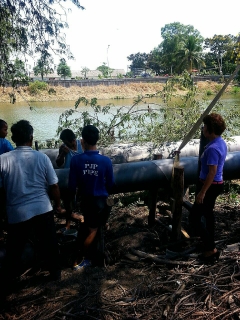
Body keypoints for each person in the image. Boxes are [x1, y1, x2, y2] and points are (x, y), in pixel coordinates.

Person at [0, 120, 62, 298]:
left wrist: (2, 213)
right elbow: (55, 185)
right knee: (49, 242)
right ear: (31, 137)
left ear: (13, 138)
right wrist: (57, 206)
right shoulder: (41, 157)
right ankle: (55, 274)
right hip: (42, 208)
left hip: (17, 212)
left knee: (14, 248)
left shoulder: (3, 160)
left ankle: (8, 283)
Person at [68, 125, 114, 270]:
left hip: (86, 201)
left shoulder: (76, 160)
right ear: (97, 140)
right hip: (100, 201)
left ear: (83, 141)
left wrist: (71, 203)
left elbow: (71, 186)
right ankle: (87, 258)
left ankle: (86, 258)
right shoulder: (106, 161)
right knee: (93, 229)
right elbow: (111, 184)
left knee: (91, 228)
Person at [189, 113, 227, 262]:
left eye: (205, 126)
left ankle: (211, 248)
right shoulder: (220, 142)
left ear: (210, 129)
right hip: (216, 184)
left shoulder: (212, 149)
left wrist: (202, 193)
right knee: (208, 214)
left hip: (210, 186)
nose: (203, 129)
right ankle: (208, 245)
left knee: (194, 218)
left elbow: (212, 172)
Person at [56, 129, 83, 232]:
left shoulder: (81, 144)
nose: (65, 144)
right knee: (68, 201)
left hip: (81, 176)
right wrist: (63, 153)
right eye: (63, 141)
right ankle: (68, 224)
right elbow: (58, 163)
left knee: (82, 200)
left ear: (73, 140)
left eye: (66, 142)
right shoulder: (63, 147)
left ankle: (83, 221)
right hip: (68, 176)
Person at [0, 119, 13, 240]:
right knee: (4, 205)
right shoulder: (4, 143)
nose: (6, 133)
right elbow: (15, 156)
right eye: (5, 130)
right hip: (2, 183)